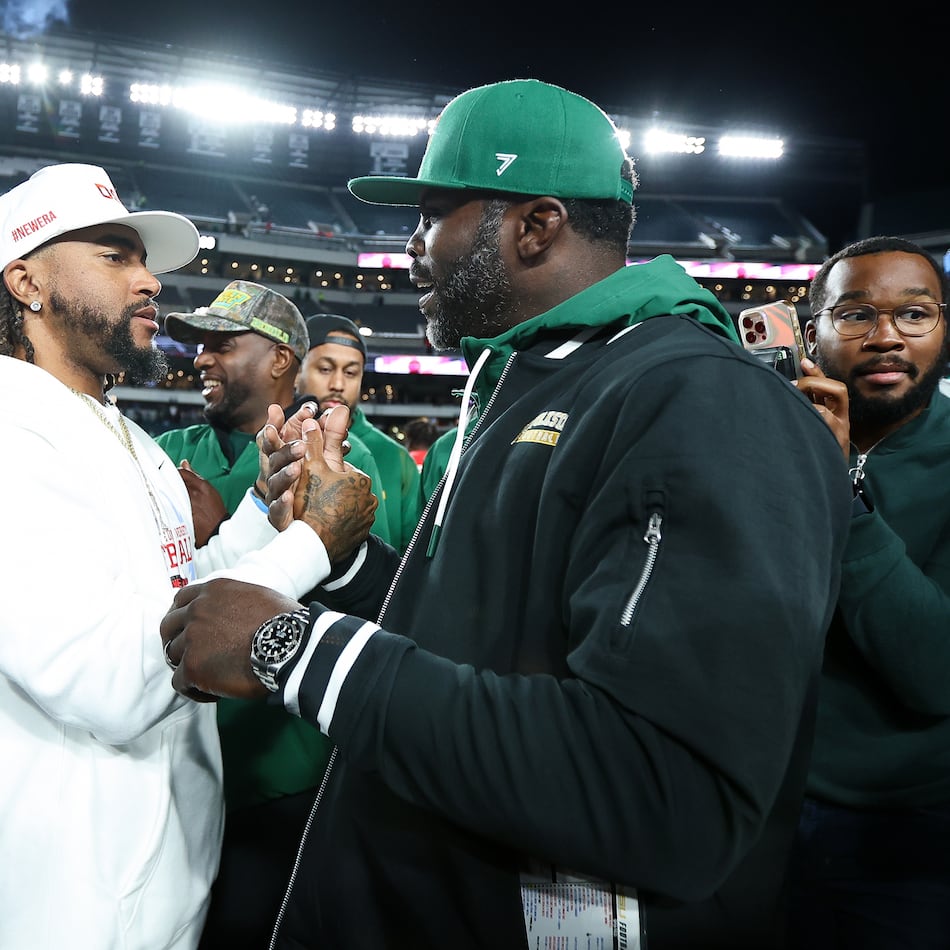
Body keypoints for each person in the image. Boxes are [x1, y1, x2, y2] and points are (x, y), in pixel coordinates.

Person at [160, 79, 853, 949]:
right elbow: (487, 641)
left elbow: (660, 791)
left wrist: (291, 648)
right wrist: (351, 564)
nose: (411, 244)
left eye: (435, 215)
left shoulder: (703, 402)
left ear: (537, 225)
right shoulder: (541, 379)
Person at [0, 163, 369, 950]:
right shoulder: (9, 433)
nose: (150, 283)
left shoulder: (129, 438)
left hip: (165, 889)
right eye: (113, 256)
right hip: (65, 905)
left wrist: (266, 520)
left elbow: (181, 596)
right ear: (26, 282)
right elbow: (109, 681)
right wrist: (309, 548)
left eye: (145, 261)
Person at [155, 281, 390, 950]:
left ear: (282, 360)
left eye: (221, 345)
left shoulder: (344, 461)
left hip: (283, 774)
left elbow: (365, 595)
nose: (200, 358)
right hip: (183, 762)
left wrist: (213, 537)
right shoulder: (161, 446)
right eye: (200, 345)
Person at [785, 235, 950, 949]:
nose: (886, 337)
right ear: (808, 329)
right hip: (753, 812)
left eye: (915, 314)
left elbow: (936, 672)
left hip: (901, 844)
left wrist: (843, 488)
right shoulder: (771, 443)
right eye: (854, 314)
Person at [298, 312, 421, 552]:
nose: (338, 384)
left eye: (350, 373)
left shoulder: (396, 458)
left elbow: (410, 559)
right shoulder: (273, 443)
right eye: (324, 369)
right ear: (296, 373)